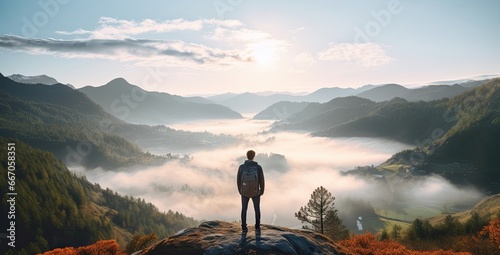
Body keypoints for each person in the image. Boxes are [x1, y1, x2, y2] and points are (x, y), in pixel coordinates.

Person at [237, 150, 265, 232]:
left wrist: (240, 190)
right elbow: (261, 180)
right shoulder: (258, 167)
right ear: (254, 156)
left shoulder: (241, 167)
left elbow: (238, 180)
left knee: (244, 209)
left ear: (247, 156)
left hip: (244, 192)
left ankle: (244, 227)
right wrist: (261, 191)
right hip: (255, 192)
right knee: (257, 209)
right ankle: (257, 226)